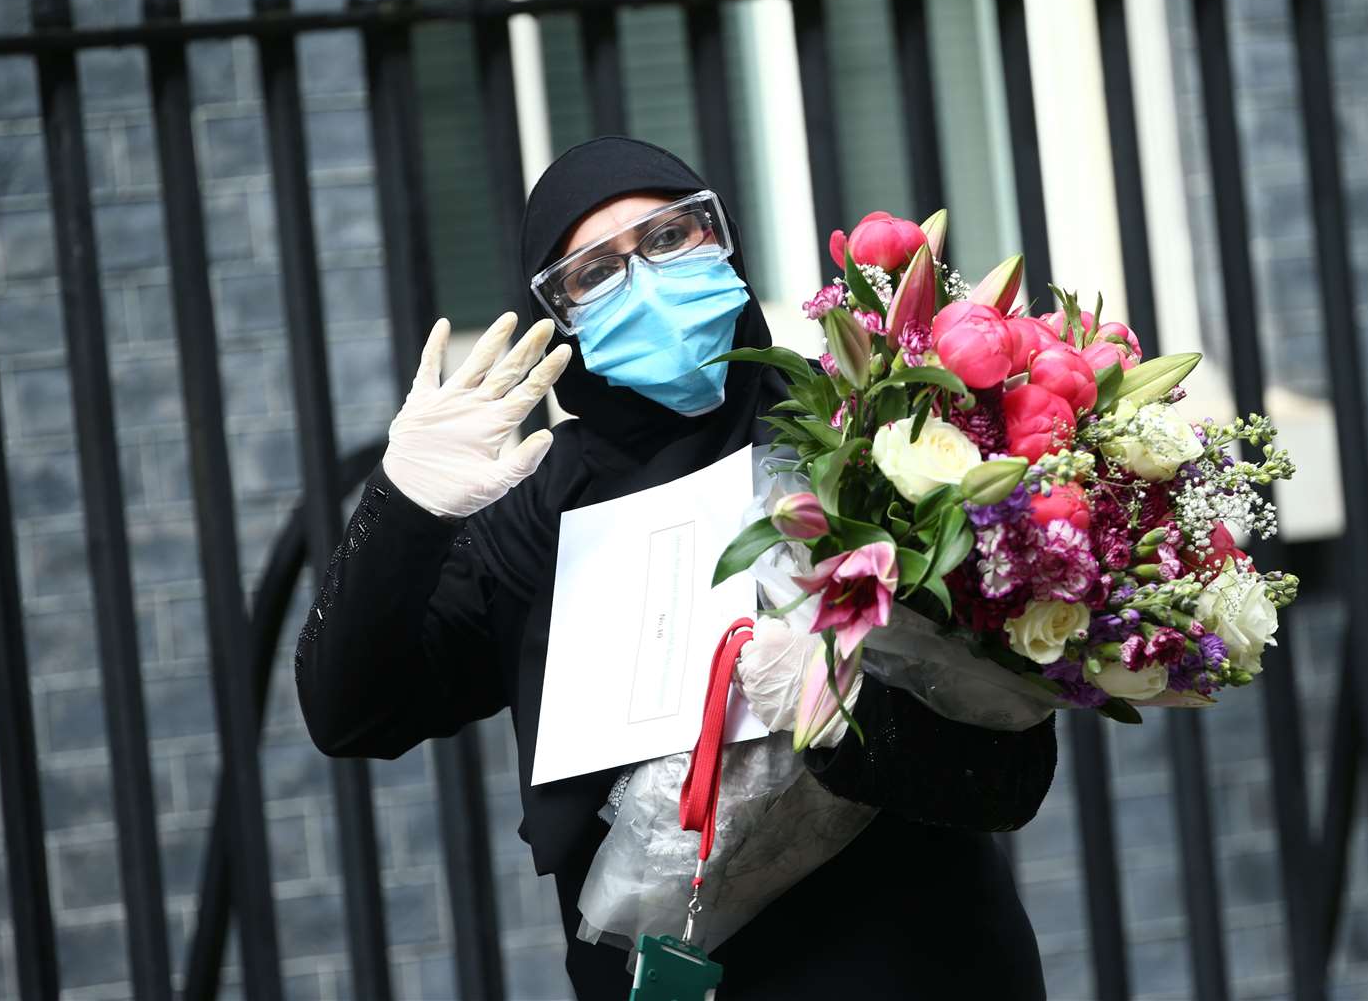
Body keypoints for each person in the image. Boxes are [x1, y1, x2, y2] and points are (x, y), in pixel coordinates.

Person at [295, 135, 1056, 1000]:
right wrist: (403, 507)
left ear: (720, 237)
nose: (645, 281)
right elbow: (350, 714)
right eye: (592, 273)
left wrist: (844, 712)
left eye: (667, 237)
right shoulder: (540, 509)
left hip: (918, 960)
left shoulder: (868, 429)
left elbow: (1007, 776)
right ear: (564, 316)